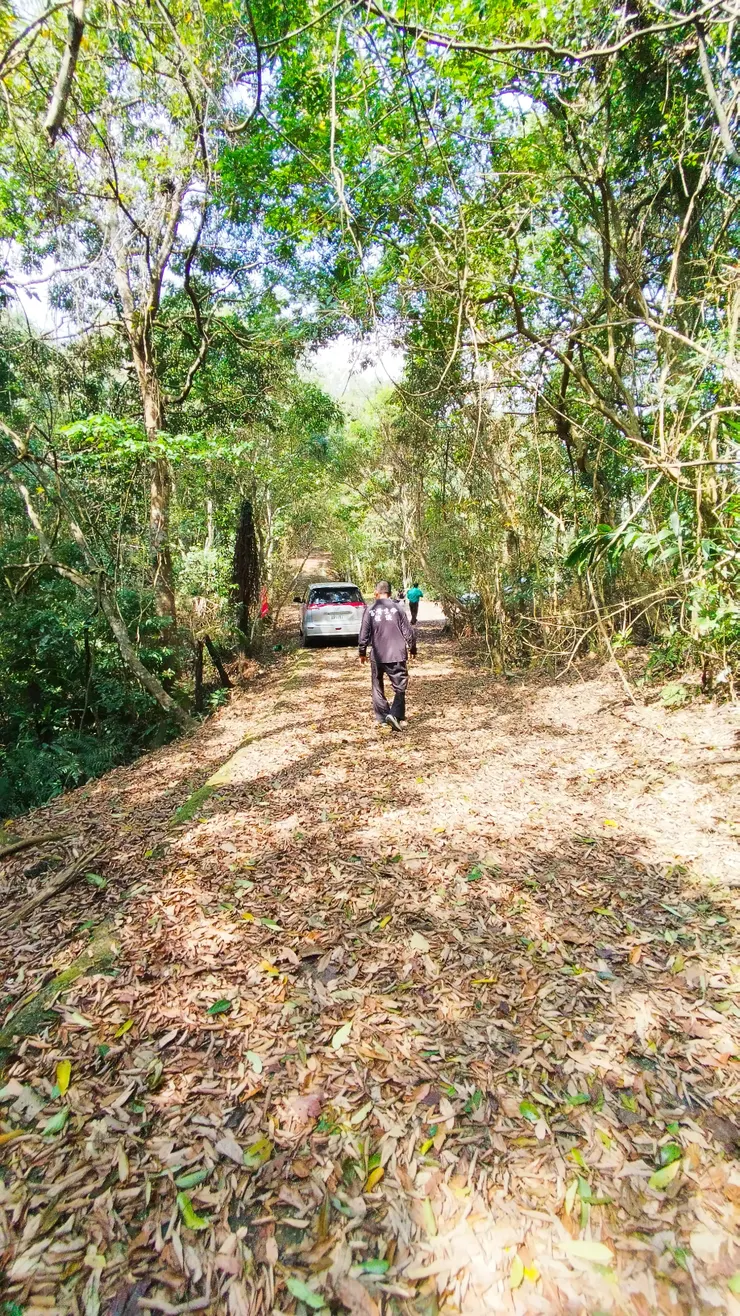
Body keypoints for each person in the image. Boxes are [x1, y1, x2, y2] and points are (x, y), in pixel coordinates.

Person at [358, 581, 417, 732]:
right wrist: (413, 648)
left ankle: (384, 717)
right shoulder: (398, 608)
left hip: (377, 654)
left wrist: (362, 652)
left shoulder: (370, 609)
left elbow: (364, 633)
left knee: (377, 686)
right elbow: (409, 632)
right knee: (400, 686)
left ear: (376, 593)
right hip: (396, 654)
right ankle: (395, 715)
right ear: (390, 593)